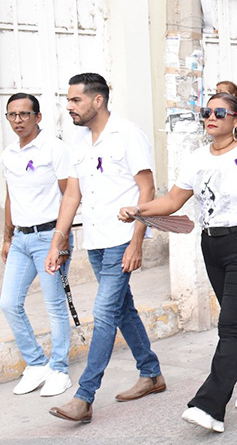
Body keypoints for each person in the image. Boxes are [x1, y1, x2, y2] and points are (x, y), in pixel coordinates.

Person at [117, 92, 237, 432]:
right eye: (207, 112)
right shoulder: (196, 158)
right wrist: (139, 209)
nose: (211, 117)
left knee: (231, 326)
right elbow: (172, 201)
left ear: (236, 119)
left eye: (220, 112)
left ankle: (209, 405)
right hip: (213, 246)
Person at [45, 73, 164, 423]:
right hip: (95, 240)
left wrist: (138, 241)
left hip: (122, 238)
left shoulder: (128, 134)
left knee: (105, 313)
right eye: (68, 100)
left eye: (75, 100)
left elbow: (147, 190)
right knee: (122, 309)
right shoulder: (78, 140)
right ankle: (151, 373)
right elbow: (72, 194)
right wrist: (58, 240)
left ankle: (84, 397)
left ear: (97, 100)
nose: (69, 106)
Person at [1, 94, 73, 397]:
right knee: (8, 303)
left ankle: (59, 369)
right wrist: (7, 237)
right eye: (12, 115)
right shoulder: (8, 153)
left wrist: (61, 239)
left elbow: (70, 195)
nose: (18, 120)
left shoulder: (54, 148)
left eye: (24, 114)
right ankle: (36, 364)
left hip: (49, 236)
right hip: (20, 238)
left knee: (54, 305)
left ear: (38, 117)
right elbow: (10, 196)